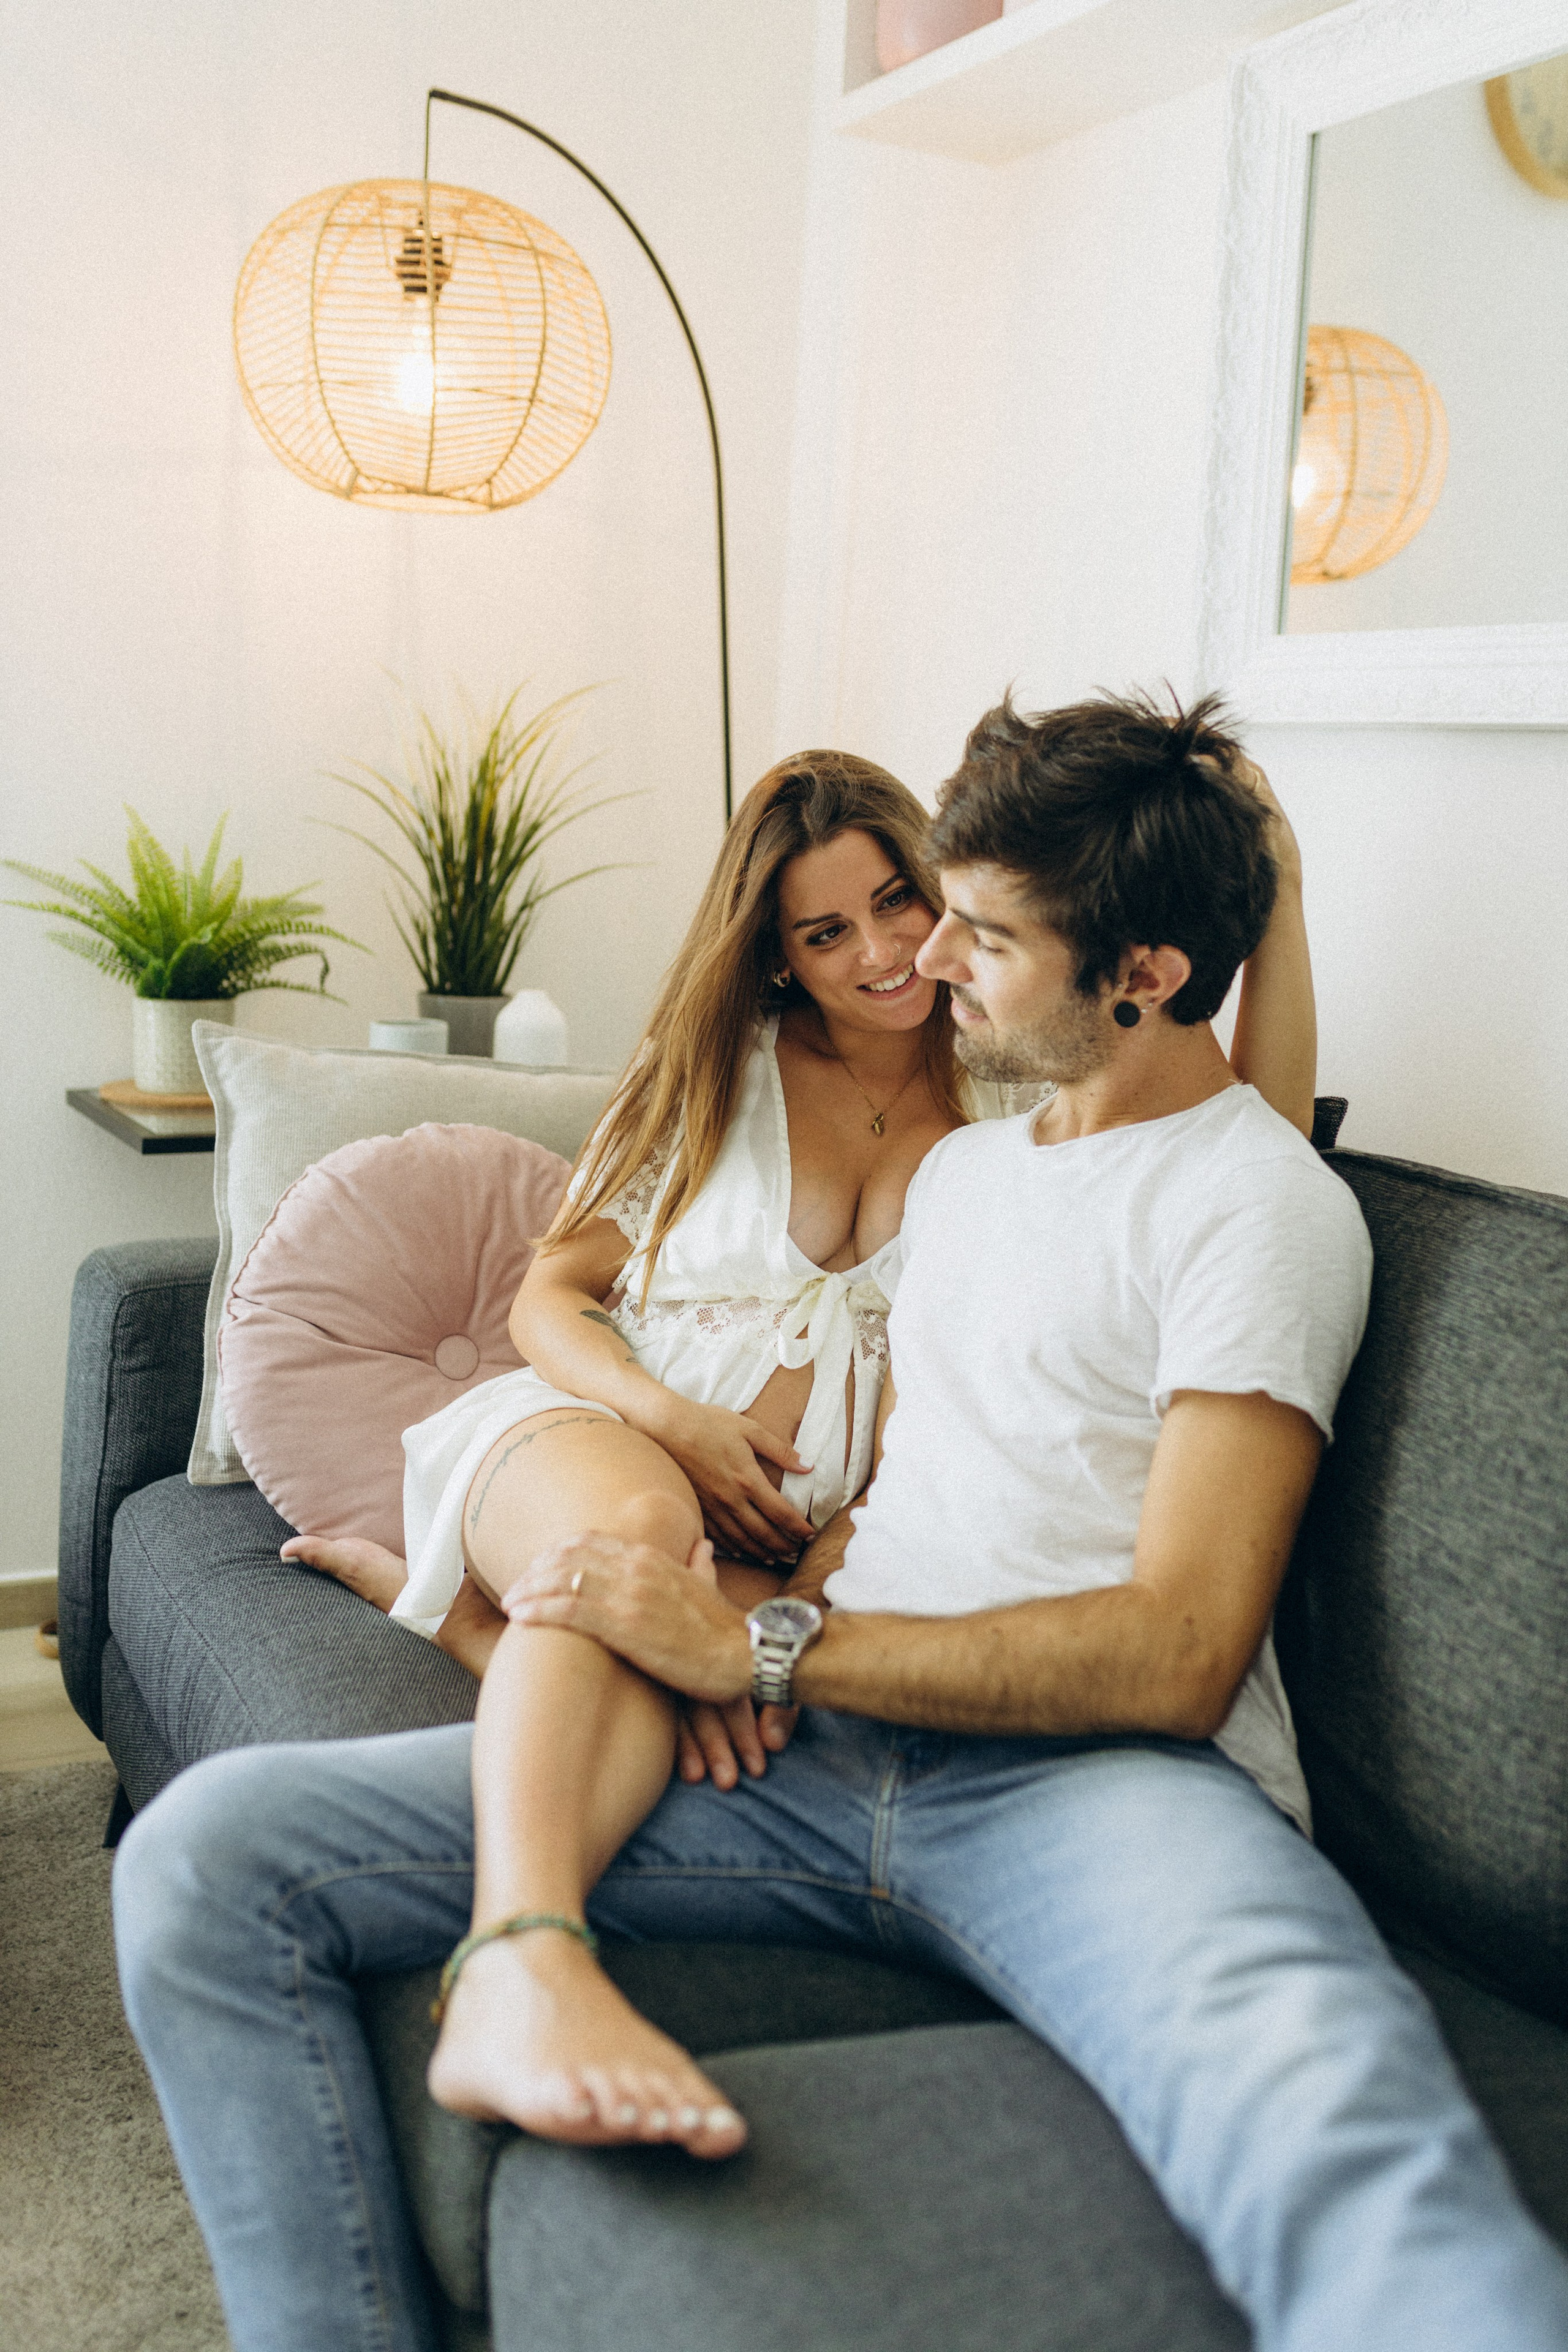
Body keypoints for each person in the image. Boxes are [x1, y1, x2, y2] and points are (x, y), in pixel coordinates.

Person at [115, 690, 1568, 2352]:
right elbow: (905, 1487)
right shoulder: (973, 1180)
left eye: (984, 935)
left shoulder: (1263, 1213)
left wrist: (763, 1639)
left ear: (1147, 972)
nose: (930, 963)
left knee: (1351, 2152)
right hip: (813, 1760)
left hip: (1104, 1791)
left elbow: (1178, 1650)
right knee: (207, 1870)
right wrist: (758, 1630)